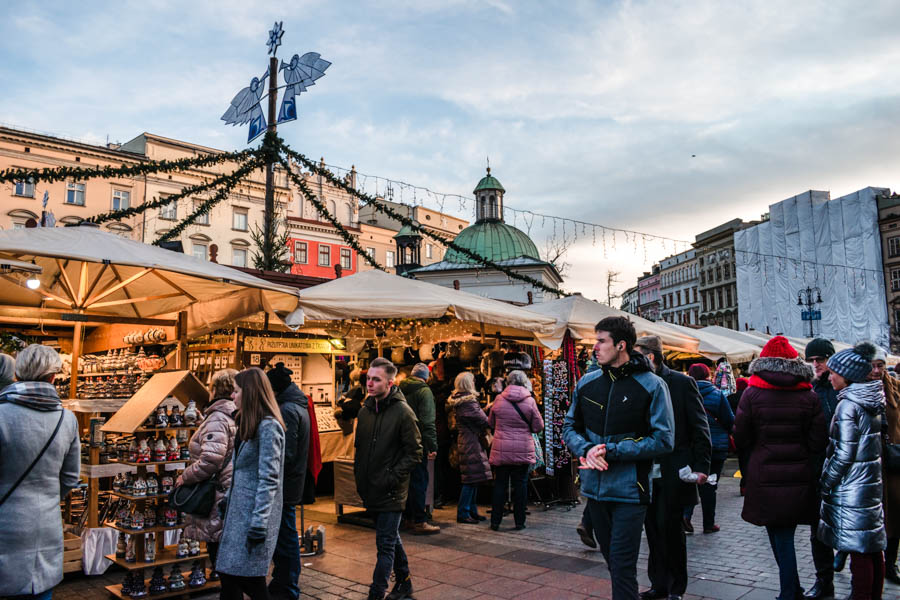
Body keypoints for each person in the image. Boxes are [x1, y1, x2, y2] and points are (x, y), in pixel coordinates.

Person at [563, 316, 674, 600]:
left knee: (623, 566)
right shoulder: (587, 383)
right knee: (614, 564)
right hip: (594, 490)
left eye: (601, 341)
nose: (594, 347)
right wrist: (586, 449)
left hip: (630, 491)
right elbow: (569, 427)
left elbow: (663, 440)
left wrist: (611, 450)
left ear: (621, 345)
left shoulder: (652, 385)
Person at [734, 335, 826, 600]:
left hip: (764, 473)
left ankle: (789, 590)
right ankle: (792, 587)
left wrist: (757, 454)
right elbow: (818, 440)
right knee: (783, 530)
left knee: (779, 532)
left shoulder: (751, 394)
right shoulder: (808, 395)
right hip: (801, 474)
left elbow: (740, 437)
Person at [0, 345, 80, 600]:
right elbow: (70, 477)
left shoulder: (2, 415)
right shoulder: (67, 420)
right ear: (53, 377)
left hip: (5, 523)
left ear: (17, 374)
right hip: (46, 522)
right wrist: (47, 498)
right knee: (40, 592)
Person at [634, 336, 711, 600]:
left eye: (637, 356)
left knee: (671, 529)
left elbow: (700, 427)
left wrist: (701, 466)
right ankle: (659, 584)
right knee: (652, 529)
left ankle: (677, 588)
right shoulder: (638, 384)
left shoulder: (681, 382)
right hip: (646, 470)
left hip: (675, 469)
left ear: (651, 357)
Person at [819, 342, 887, 600]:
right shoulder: (870, 399)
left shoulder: (848, 405)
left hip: (851, 488)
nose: (829, 376)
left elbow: (843, 453)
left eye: (834, 372)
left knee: (857, 548)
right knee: (871, 547)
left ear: (847, 375)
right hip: (869, 484)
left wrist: (826, 481)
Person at [354, 357, 422, 600]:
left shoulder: (403, 412)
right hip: (371, 487)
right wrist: (361, 477)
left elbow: (415, 453)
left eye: (376, 379)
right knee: (390, 537)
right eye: (368, 379)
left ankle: (376, 593)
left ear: (390, 383)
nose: (369, 383)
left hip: (391, 490)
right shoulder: (365, 411)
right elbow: (360, 449)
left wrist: (391, 476)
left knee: (384, 545)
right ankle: (404, 582)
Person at [216, 367, 286, 600]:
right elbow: (240, 472)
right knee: (230, 577)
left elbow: (269, 478)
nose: (232, 396)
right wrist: (227, 500)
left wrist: (259, 522)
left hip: (252, 517)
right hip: (239, 513)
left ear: (250, 393)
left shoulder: (268, 427)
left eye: (236, 391)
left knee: (247, 579)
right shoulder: (248, 423)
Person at [179, 369, 239, 579]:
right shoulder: (230, 414)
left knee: (219, 551)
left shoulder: (218, 418)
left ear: (215, 389)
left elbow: (211, 459)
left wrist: (185, 477)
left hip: (217, 492)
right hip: (228, 488)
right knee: (225, 552)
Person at [266, 363, 312, 600]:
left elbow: (287, 453)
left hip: (285, 485)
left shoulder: (287, 410)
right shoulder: (296, 405)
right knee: (286, 534)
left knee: (285, 536)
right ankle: (284, 582)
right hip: (290, 483)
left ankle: (287, 585)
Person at [802, 338, 840, 600]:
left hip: (845, 469)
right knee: (818, 529)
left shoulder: (842, 388)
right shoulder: (810, 389)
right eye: (812, 361)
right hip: (817, 468)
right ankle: (824, 579)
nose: (816, 365)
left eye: (820, 360)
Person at [488, 369, 544, 531]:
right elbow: (538, 426)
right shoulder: (530, 401)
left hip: (501, 449)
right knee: (521, 485)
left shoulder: (498, 400)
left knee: (500, 485)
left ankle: (495, 522)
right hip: (522, 449)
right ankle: (520, 521)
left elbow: (491, 423)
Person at [684, 363, 734, 534]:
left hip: (692, 446)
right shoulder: (718, 394)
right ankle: (708, 523)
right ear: (708, 375)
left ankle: (686, 516)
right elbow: (729, 420)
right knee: (710, 484)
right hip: (715, 446)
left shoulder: (684, 392)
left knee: (690, 482)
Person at [868, 345, 900, 586]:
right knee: (870, 518)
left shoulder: (895, 389)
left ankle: (890, 564)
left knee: (895, 516)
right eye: (872, 366)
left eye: (880, 365)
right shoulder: (858, 390)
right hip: (869, 464)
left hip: (893, 462)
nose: (877, 370)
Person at [399, 363, 439, 534]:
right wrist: (432, 445)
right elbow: (427, 421)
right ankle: (420, 520)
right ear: (426, 376)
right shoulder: (425, 391)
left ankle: (407, 518)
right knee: (420, 480)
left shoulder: (399, 389)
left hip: (400, 442)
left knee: (407, 481)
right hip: (418, 442)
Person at [447, 371, 492, 523]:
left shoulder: (460, 401)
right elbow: (483, 420)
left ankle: (471, 510)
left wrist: (485, 408)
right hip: (470, 442)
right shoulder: (468, 402)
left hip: (467, 441)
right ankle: (464, 512)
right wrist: (489, 410)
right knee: (470, 480)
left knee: (473, 478)